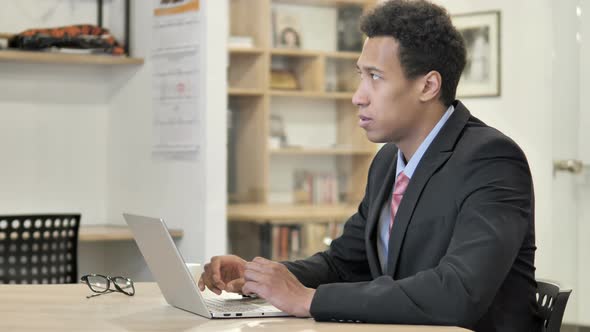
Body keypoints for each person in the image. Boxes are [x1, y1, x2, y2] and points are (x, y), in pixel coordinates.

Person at [199, 1, 540, 330]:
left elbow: (458, 292)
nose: (358, 96)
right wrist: (262, 276)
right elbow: (344, 263)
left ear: (428, 85)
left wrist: (309, 300)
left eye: (375, 77)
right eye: (360, 75)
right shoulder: (388, 160)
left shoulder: (492, 159)